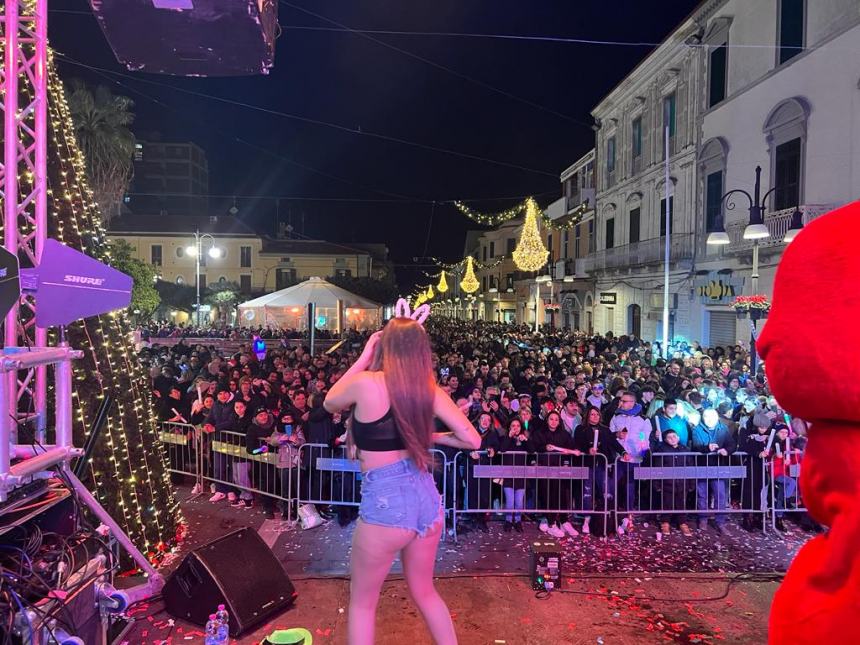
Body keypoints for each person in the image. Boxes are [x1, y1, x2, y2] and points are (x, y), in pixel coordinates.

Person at [323, 311, 480, 645]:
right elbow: (472, 440)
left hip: (386, 503)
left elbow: (329, 400)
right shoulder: (428, 388)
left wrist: (365, 356)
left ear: (385, 346)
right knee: (425, 592)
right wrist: (432, 437)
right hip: (426, 498)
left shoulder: (366, 382)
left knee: (363, 604)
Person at [691, 408, 737, 534]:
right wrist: (707, 447)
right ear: (703, 418)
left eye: (712, 417)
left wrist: (726, 451)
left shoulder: (723, 429)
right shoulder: (697, 429)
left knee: (720, 495)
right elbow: (695, 446)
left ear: (717, 418)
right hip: (702, 466)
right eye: (706, 417)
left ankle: (720, 522)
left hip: (718, 466)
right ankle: (703, 519)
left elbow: (732, 444)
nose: (709, 420)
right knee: (702, 494)